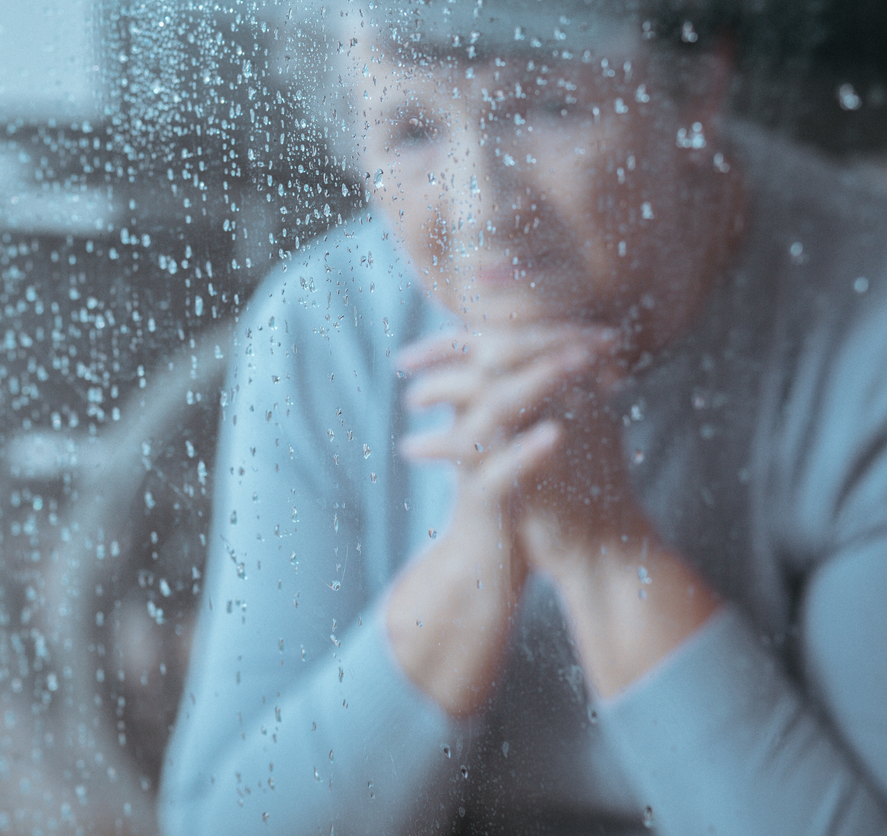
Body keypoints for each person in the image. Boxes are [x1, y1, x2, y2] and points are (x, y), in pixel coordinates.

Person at [159, 0, 887, 833]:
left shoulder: (866, 329)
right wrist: (479, 548)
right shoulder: (321, 332)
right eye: (410, 132)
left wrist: (604, 547)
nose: (482, 204)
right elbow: (225, 822)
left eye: (549, 108)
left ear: (697, 91)